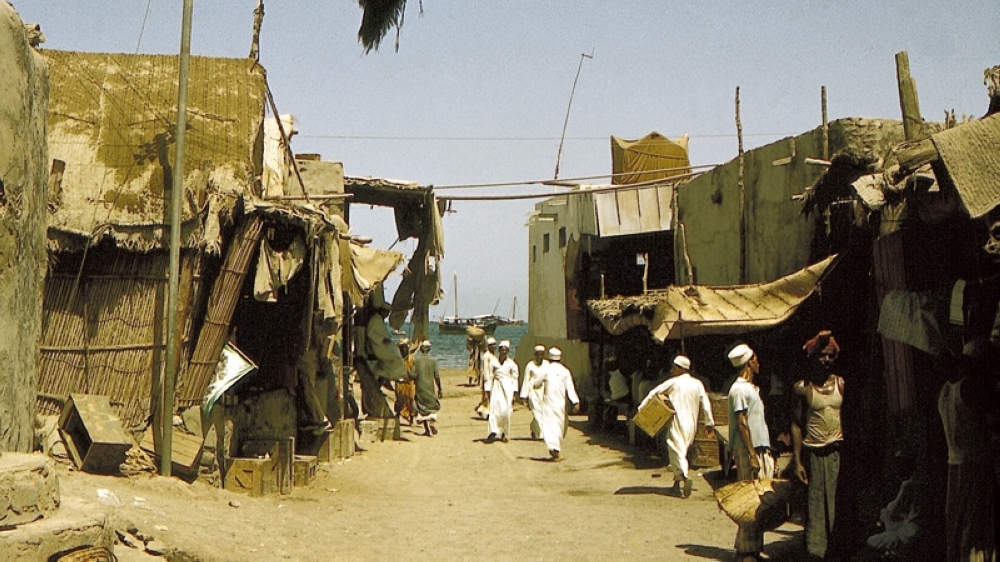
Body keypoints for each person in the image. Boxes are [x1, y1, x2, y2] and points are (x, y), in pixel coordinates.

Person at [938, 338, 995, 562]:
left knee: (958, 523)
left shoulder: (945, 390)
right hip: (973, 463)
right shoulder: (969, 388)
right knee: (974, 526)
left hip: (955, 463)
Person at [792, 330, 845, 560]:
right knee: (815, 508)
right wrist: (797, 461)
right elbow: (795, 424)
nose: (827, 360)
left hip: (836, 453)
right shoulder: (802, 388)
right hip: (813, 454)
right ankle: (815, 554)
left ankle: (833, 552)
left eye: (831, 356)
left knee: (835, 506)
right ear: (814, 357)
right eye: (822, 355)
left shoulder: (841, 384)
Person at [638, 354, 715, 498]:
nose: (672, 370)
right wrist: (709, 423)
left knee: (675, 450)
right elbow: (706, 403)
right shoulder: (697, 384)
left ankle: (685, 477)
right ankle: (676, 484)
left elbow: (653, 393)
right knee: (681, 451)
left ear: (680, 369)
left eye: (674, 368)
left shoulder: (673, 382)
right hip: (692, 424)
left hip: (677, 421)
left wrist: (642, 408)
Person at [726, 343, 773, 562]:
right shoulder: (739, 390)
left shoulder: (751, 389)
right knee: (750, 502)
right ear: (748, 363)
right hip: (748, 450)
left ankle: (751, 546)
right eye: (755, 359)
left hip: (759, 447)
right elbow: (742, 422)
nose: (758, 362)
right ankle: (746, 551)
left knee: (759, 501)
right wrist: (752, 454)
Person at [533, 347, 580, 461]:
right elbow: (570, 389)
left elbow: (536, 383)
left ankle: (554, 448)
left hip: (549, 403)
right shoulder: (565, 371)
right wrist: (576, 402)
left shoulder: (546, 369)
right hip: (561, 404)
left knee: (550, 425)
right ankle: (555, 447)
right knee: (559, 425)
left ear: (549, 357)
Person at [485, 340, 519, 443]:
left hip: (508, 388)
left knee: (506, 411)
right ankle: (493, 431)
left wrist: (514, 393)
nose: (504, 351)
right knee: (494, 410)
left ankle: (505, 432)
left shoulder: (512, 364)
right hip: (496, 387)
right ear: (499, 350)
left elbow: (515, 378)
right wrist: (488, 389)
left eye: (506, 349)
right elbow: (489, 376)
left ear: (508, 351)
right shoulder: (493, 362)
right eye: (502, 349)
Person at [411, 340, 443, 436]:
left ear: (421, 349)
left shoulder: (416, 361)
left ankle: (427, 429)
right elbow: (436, 376)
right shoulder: (433, 361)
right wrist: (440, 388)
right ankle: (431, 424)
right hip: (430, 387)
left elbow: (413, 375)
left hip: (420, 388)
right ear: (429, 349)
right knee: (430, 407)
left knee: (421, 408)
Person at [519, 344, 548, 440]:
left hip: (543, 392)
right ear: (535, 355)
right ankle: (541, 435)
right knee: (537, 411)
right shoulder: (530, 365)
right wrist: (524, 396)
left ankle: (534, 428)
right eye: (538, 354)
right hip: (533, 392)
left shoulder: (547, 365)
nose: (540, 356)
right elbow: (526, 380)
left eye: (542, 354)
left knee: (543, 412)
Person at [394, 338, 417, 425]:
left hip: (410, 382)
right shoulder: (398, 358)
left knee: (410, 399)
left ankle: (411, 417)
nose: (404, 350)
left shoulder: (411, 358)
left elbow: (414, 370)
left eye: (405, 348)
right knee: (400, 399)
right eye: (402, 348)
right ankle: (398, 415)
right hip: (400, 382)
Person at [476, 337, 499, 418]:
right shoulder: (486, 355)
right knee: (488, 397)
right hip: (488, 379)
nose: (494, 346)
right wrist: (486, 380)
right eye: (492, 345)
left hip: (493, 379)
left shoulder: (493, 355)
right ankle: (484, 410)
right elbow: (485, 368)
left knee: (490, 398)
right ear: (488, 346)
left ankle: (484, 410)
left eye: (495, 345)